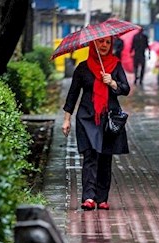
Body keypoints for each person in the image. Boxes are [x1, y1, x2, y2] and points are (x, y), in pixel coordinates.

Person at [62, 36, 131, 211]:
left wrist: (113, 83)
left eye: (107, 43)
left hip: (108, 118)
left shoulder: (115, 65)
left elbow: (126, 89)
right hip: (87, 118)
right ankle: (89, 197)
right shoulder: (83, 68)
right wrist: (66, 119)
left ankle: (102, 198)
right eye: (100, 42)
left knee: (105, 157)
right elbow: (73, 94)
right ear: (94, 44)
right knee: (90, 156)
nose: (104, 46)